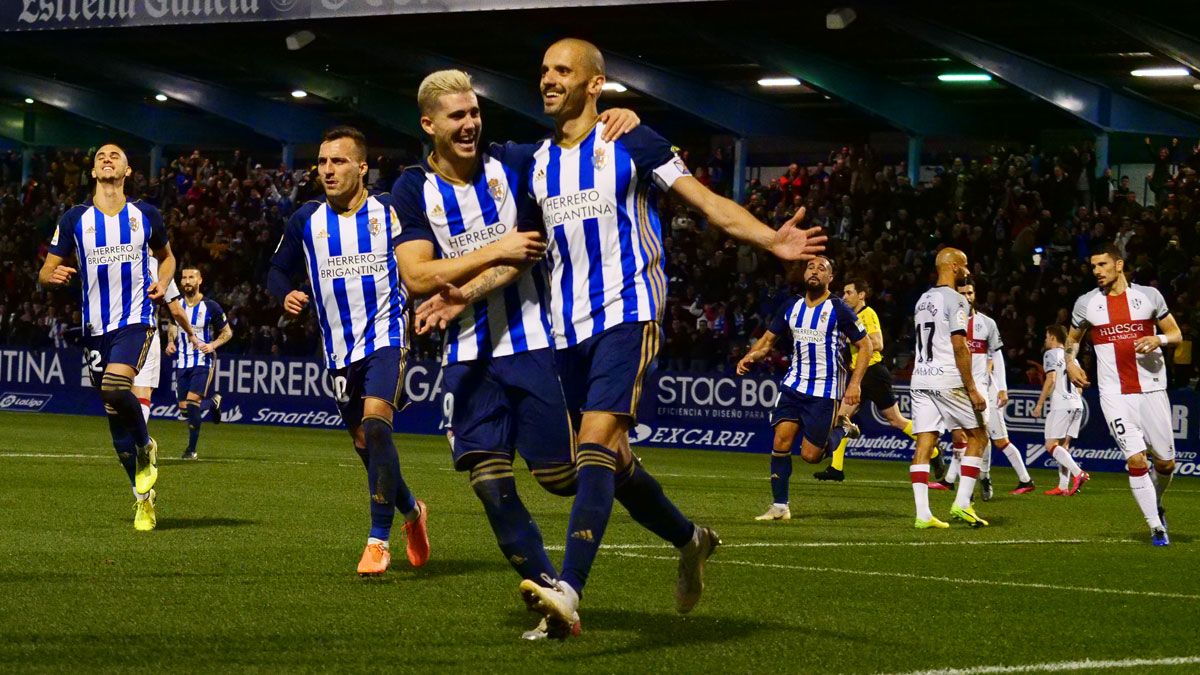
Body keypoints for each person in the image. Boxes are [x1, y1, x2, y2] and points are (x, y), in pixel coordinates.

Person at [510, 38, 826, 635]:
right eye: (544, 70)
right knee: (610, 461)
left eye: (561, 70)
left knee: (598, 442)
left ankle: (568, 593)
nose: (548, 79)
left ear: (594, 84)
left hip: (630, 313)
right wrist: (457, 294)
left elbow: (705, 201)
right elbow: (522, 250)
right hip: (564, 329)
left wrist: (771, 240)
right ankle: (691, 538)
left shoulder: (633, 139)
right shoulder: (536, 163)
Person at [394, 69, 639, 640]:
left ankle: (658, 505)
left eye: (474, 111)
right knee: (490, 483)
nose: (470, 123)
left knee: (562, 477)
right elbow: (416, 275)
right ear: (429, 125)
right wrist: (500, 245)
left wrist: (621, 120)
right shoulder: (411, 188)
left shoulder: (514, 161)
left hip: (534, 345)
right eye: (456, 116)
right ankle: (560, 603)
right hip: (465, 357)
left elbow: (578, 143)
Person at [268, 126, 430, 574]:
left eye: (337, 161)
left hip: (388, 336)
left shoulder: (391, 211)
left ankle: (378, 541)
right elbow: (277, 271)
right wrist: (285, 294)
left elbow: (423, 259)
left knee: (377, 426)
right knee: (365, 444)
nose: (327, 170)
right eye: (321, 162)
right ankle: (414, 512)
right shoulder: (306, 219)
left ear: (363, 167)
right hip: (338, 351)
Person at [38, 142, 176, 531]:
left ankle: (147, 445)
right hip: (95, 329)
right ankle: (143, 500)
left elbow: (167, 257)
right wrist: (53, 276)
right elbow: (46, 271)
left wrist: (163, 282)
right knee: (116, 431)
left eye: (115, 155)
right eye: (100, 156)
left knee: (117, 388)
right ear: (94, 172)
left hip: (135, 320)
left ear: (128, 171)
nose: (106, 158)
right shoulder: (73, 219)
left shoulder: (145, 215)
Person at [737, 257, 871, 520]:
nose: (815, 271)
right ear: (804, 274)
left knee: (810, 456)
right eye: (811, 267)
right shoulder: (792, 306)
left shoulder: (839, 309)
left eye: (822, 269)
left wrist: (854, 384)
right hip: (793, 386)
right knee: (780, 441)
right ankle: (779, 506)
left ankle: (842, 428)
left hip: (824, 391)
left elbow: (865, 346)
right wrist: (751, 356)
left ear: (830, 279)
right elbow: (767, 340)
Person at [1065, 243, 1181, 546]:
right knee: (1136, 459)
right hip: (1113, 394)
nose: (1097, 271)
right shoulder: (1086, 303)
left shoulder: (1149, 297)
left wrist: (1157, 339)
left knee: (1166, 463)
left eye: (1102, 265)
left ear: (1119, 265)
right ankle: (1156, 527)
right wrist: (1070, 363)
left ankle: (1156, 503)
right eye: (1093, 267)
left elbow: (1176, 334)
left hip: (1152, 389)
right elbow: (1072, 340)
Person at [812, 277, 931, 482]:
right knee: (841, 419)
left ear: (861, 295)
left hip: (873, 372)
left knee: (896, 420)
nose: (844, 296)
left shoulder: (868, 314)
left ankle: (934, 451)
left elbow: (877, 343)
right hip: (860, 373)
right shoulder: (851, 316)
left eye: (849, 292)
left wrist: (852, 339)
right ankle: (836, 468)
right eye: (844, 292)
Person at [907, 247, 989, 529]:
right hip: (945, 378)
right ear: (954, 267)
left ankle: (922, 514)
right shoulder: (956, 300)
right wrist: (972, 388)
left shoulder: (922, 299)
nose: (968, 270)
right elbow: (958, 345)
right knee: (979, 436)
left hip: (920, 377)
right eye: (965, 265)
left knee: (925, 441)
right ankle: (963, 504)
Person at [930, 279, 1035, 499]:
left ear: (974, 295)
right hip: (957, 390)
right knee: (961, 438)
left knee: (990, 439)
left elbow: (996, 355)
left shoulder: (987, 323)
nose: (966, 297)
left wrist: (1002, 388)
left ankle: (986, 478)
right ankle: (953, 481)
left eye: (970, 292)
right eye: (962, 293)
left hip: (984, 391)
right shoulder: (947, 323)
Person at [167, 266, 231, 460]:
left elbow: (227, 332)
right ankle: (212, 403)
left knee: (193, 402)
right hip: (182, 361)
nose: (187, 281)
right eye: (184, 277)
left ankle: (191, 449)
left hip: (203, 360)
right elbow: (172, 325)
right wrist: (170, 341)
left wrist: (212, 345)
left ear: (200, 280)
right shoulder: (176, 305)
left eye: (191, 278)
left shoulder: (211, 307)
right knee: (184, 408)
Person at [1032, 324, 1088, 496]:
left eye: (1047, 336)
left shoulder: (1050, 354)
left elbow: (1051, 379)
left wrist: (1040, 403)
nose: (1046, 340)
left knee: (1050, 445)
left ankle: (1079, 473)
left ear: (1053, 338)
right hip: (1077, 404)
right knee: (1064, 446)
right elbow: (1081, 382)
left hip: (1061, 405)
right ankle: (1063, 486)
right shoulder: (1073, 358)